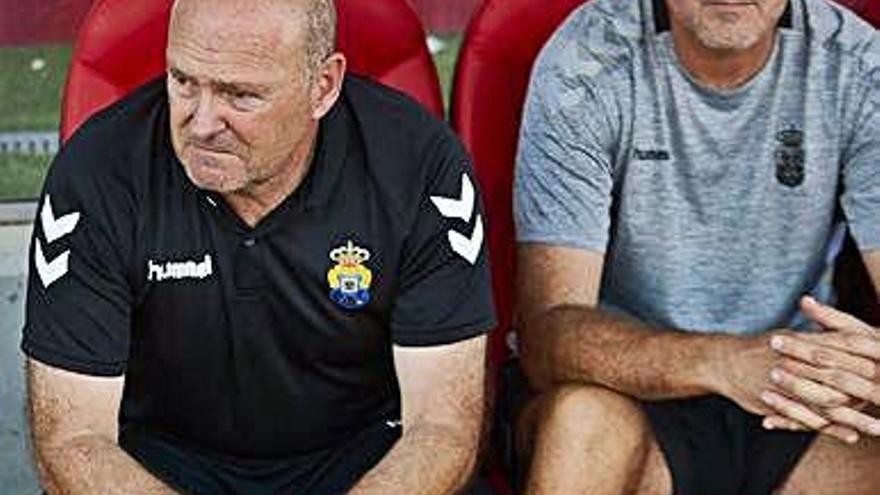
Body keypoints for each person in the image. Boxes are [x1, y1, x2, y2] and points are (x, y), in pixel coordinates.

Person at [21, 0, 495, 493]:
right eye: (184, 81)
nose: (201, 123)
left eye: (240, 95)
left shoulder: (419, 167)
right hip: (158, 467)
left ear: (323, 86)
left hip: (363, 462)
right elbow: (74, 442)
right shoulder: (98, 171)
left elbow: (441, 430)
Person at [513, 0, 880, 493]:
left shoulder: (857, 65)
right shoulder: (588, 64)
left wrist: (854, 367)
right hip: (627, 388)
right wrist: (725, 362)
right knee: (581, 420)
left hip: (799, 392)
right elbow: (547, 337)